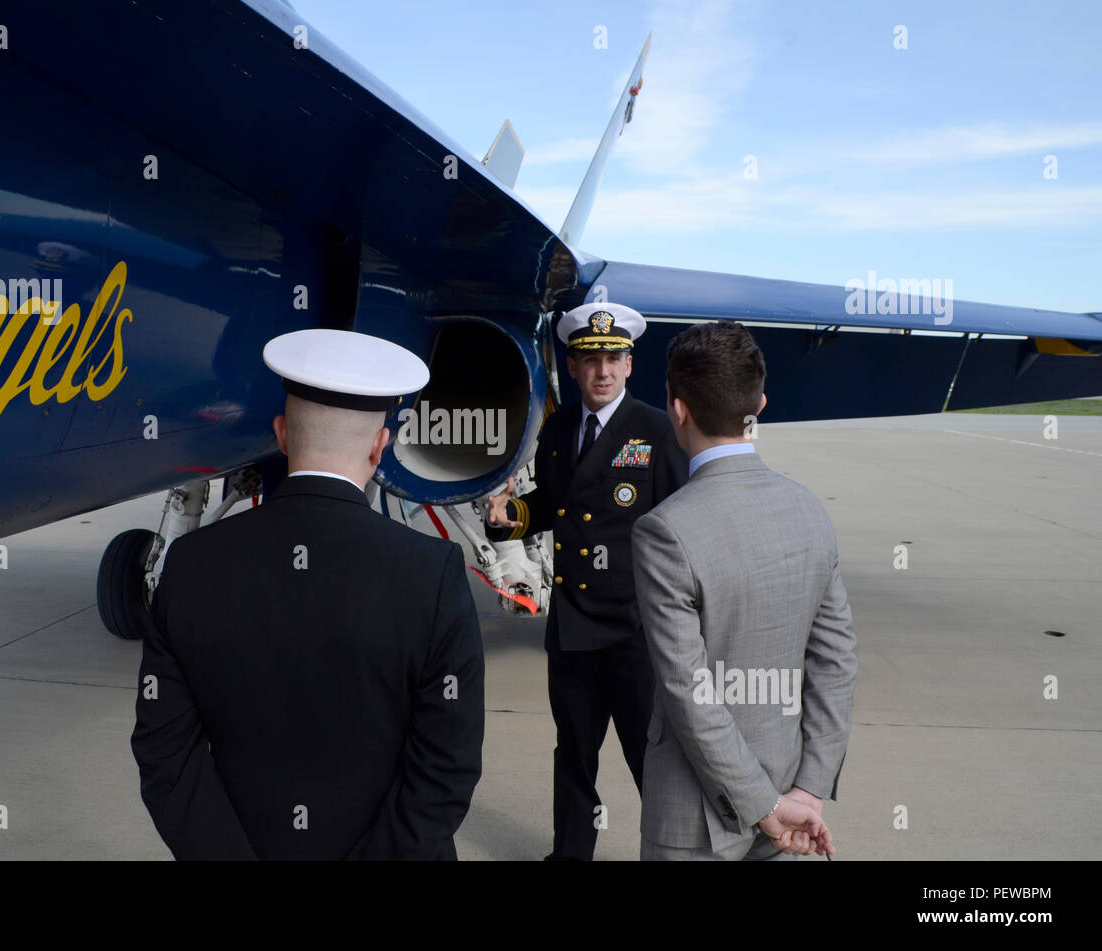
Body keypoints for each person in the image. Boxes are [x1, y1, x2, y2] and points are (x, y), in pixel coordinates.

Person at [131, 328, 485, 860]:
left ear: (281, 434)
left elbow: (166, 757)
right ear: (378, 446)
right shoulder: (432, 572)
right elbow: (446, 767)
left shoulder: (190, 565)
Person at [632, 319, 857, 860]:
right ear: (759, 403)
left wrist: (763, 803)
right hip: (795, 794)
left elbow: (690, 692)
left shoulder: (665, 530)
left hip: (696, 814)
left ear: (678, 409)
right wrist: (805, 789)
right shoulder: (808, 508)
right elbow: (836, 660)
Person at [484, 301, 688, 860]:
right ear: (571, 366)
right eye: (589, 358)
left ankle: (678, 854)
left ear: (629, 364)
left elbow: (684, 520)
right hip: (573, 628)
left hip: (633, 631)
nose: (602, 370)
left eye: (613, 358)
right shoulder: (558, 429)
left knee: (651, 761)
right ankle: (570, 855)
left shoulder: (656, 429)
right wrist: (513, 515)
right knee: (573, 754)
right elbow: (554, 504)